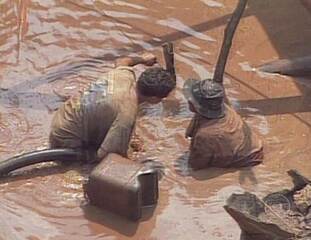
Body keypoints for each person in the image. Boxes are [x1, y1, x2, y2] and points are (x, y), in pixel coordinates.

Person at [49, 52, 176, 162]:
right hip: (66, 141)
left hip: (63, 116)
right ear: (154, 99)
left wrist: (142, 59)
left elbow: (122, 61)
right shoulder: (126, 115)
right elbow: (108, 156)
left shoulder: (124, 76)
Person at [183, 78, 263, 170]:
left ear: (193, 105)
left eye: (191, 98)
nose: (188, 99)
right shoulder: (224, 107)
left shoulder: (205, 135)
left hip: (246, 161)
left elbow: (196, 166)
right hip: (251, 148)